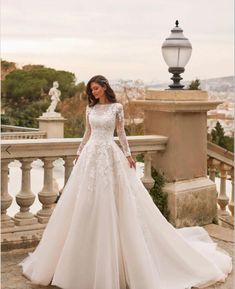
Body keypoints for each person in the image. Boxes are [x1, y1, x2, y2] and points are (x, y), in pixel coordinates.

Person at [19, 75, 232, 289]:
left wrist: (128, 155)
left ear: (104, 87)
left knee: (113, 201)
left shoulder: (117, 108)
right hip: (91, 156)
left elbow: (121, 132)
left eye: (96, 88)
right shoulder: (89, 109)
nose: (93, 92)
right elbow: (88, 132)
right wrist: (79, 152)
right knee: (84, 202)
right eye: (91, 90)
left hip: (110, 155)